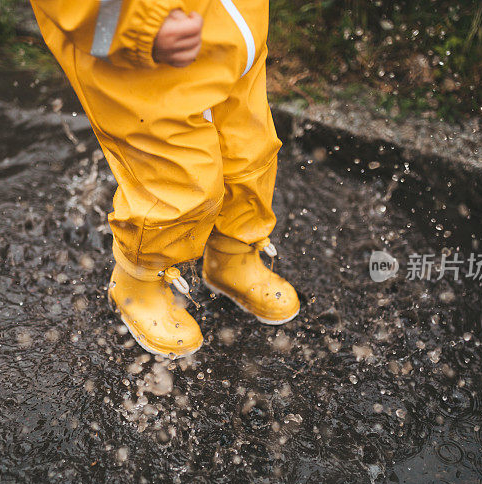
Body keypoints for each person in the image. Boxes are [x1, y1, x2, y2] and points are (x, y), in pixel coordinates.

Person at [30, 0, 300, 358]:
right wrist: (137, 25)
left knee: (251, 150)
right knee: (173, 178)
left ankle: (232, 253)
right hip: (141, 56)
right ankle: (138, 282)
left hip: (233, 32)